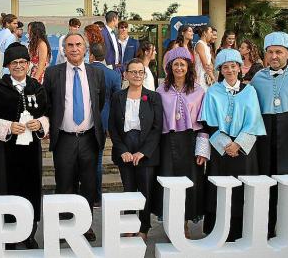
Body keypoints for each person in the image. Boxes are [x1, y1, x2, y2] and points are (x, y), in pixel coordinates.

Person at [0, 43, 49, 249]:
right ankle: (7, 233)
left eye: (22, 62)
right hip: (6, 151)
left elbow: (47, 113)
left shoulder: (37, 87)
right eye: (14, 63)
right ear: (8, 66)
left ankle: (29, 233)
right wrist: (7, 127)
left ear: (28, 64)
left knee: (31, 189)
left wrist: (40, 124)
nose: (18, 66)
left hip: (31, 151)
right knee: (5, 190)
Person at [43, 32, 105, 241]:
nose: (74, 48)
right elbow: (48, 104)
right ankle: (65, 226)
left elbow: (100, 102)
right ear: (64, 49)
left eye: (78, 44)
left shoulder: (96, 74)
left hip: (89, 138)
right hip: (64, 138)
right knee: (64, 183)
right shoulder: (52, 73)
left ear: (85, 48)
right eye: (70, 45)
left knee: (88, 184)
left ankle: (85, 226)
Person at [201, 49, 266, 241]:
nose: (229, 70)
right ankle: (217, 231)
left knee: (242, 189)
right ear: (220, 70)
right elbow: (209, 123)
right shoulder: (212, 92)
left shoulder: (250, 90)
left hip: (244, 149)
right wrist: (226, 144)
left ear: (239, 67)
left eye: (233, 66)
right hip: (220, 149)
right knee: (219, 189)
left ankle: (240, 231)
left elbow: (254, 121)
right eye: (225, 67)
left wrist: (238, 144)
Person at [250, 32, 288, 238]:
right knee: (266, 187)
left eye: (279, 52)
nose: (274, 56)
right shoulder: (258, 78)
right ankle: (265, 231)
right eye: (270, 52)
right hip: (265, 141)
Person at [152, 47, 209, 238]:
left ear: (188, 67)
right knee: (169, 182)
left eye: (182, 64)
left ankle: (184, 222)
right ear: (170, 67)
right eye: (175, 64)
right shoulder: (160, 90)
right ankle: (172, 222)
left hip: (191, 141)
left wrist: (202, 150)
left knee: (190, 182)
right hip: (167, 142)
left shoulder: (199, 91)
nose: (179, 68)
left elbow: (204, 123)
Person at [108, 58, 163, 240]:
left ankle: (144, 227)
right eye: (133, 72)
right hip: (125, 145)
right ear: (126, 74)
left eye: (141, 72)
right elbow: (113, 127)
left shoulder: (153, 97)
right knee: (129, 190)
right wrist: (122, 149)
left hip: (146, 147)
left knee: (145, 191)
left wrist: (144, 152)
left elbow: (157, 128)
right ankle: (130, 225)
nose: (137, 75)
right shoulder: (117, 96)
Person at [89, 43, 121, 207]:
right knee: (98, 160)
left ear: (91, 56)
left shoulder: (85, 71)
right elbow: (117, 102)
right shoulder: (114, 75)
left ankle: (84, 195)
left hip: (85, 121)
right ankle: (96, 197)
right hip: (104, 121)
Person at [194, 25, 215, 91]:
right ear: (205, 33)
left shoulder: (206, 45)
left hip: (207, 77)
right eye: (211, 32)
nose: (212, 34)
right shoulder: (200, 44)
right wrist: (213, 78)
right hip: (201, 77)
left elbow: (209, 63)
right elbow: (205, 64)